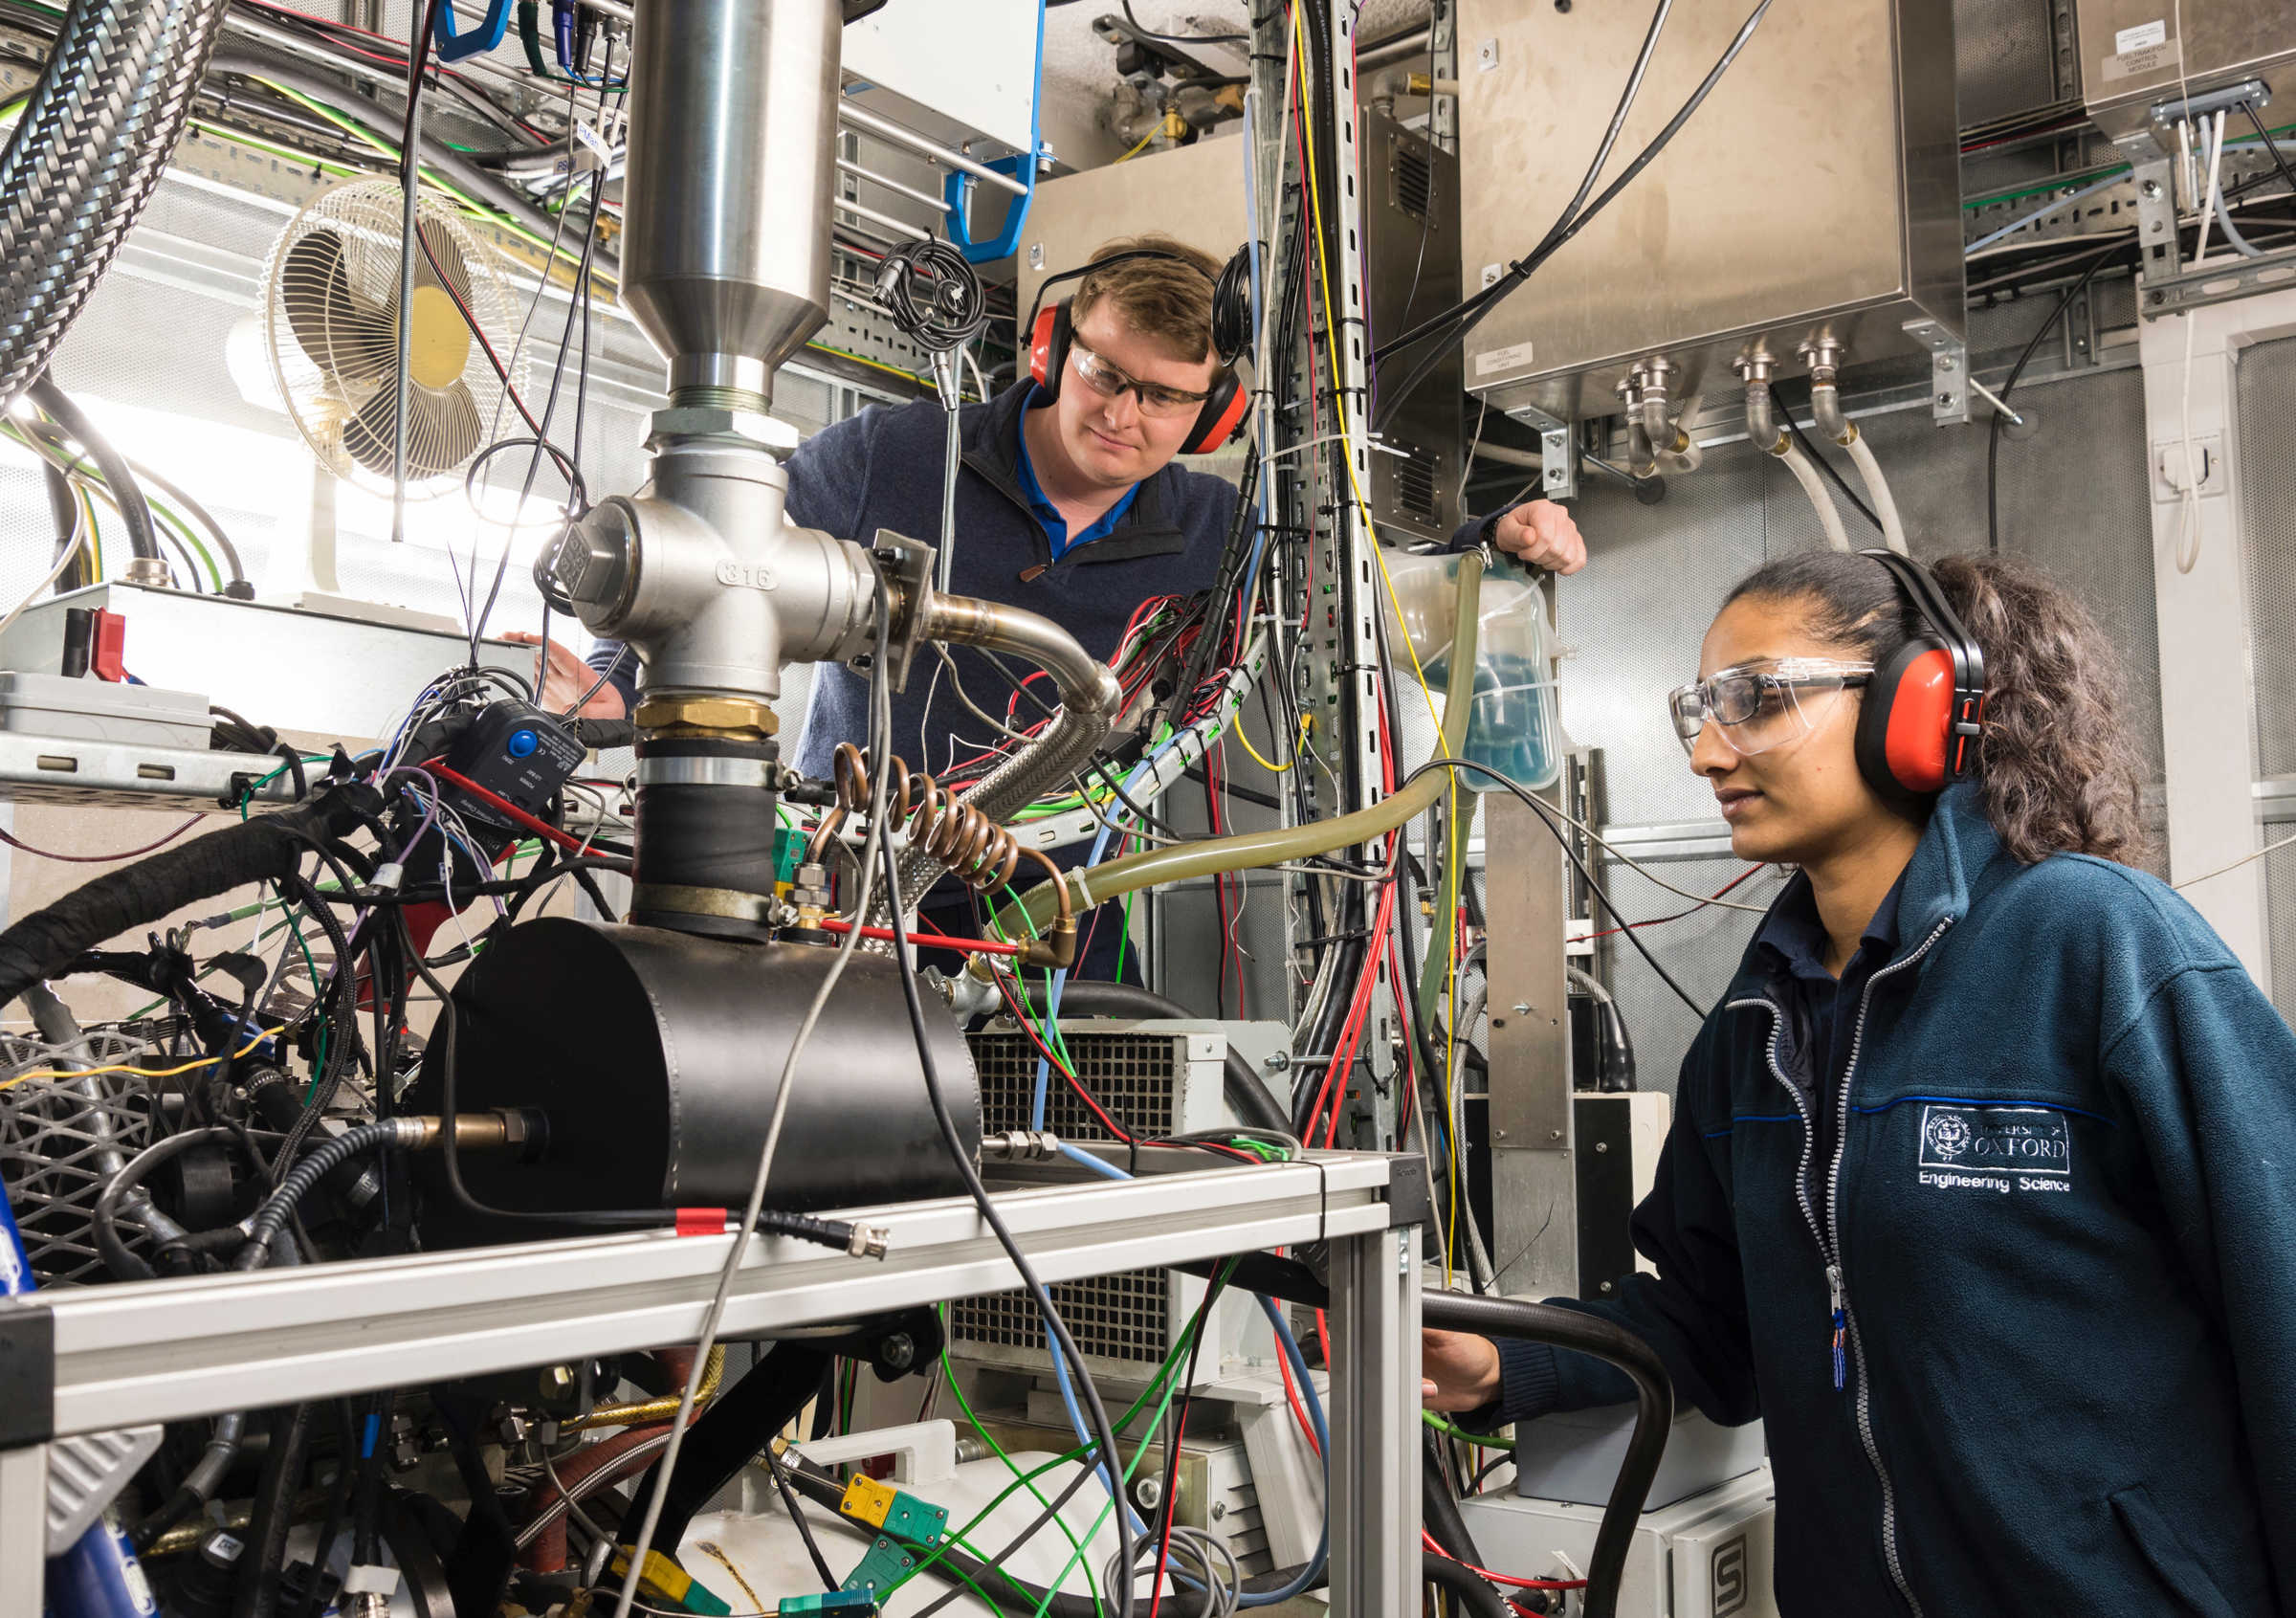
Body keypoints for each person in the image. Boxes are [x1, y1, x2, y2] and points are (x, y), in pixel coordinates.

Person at [1423, 548, 2296, 1617]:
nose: (1705, 749)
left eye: (1755, 698)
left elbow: (2281, 1299)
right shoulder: (1755, 1025)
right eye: (1697, 708)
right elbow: (1710, 1323)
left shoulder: (2095, 947)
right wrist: (1505, 1362)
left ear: (1921, 700)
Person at [528, 233, 1589, 974]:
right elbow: (717, 556)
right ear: (1052, 353)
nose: (1124, 413)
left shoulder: (1219, 536)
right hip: (847, 888)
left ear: (1209, 416)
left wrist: (1483, 544)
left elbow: (1355, 594)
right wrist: (614, 695)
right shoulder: (897, 456)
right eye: (1104, 373)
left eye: (1165, 396)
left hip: (1057, 911)